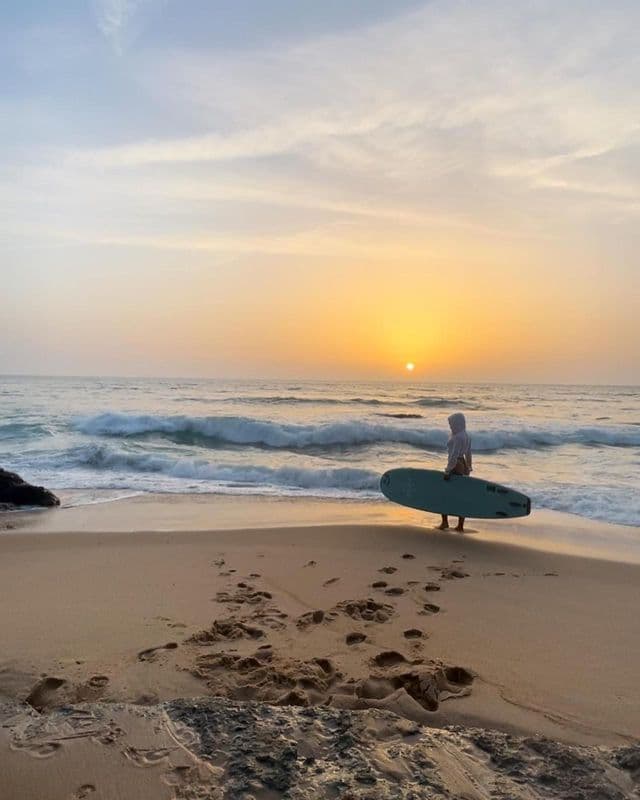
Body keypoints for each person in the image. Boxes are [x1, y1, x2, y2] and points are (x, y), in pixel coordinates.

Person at [437, 412, 472, 532]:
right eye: (450, 424)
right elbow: (468, 453)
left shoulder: (457, 437)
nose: (451, 427)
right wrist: (469, 467)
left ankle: (444, 522)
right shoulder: (466, 435)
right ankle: (460, 525)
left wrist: (447, 471)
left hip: (456, 465)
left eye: (452, 424)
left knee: (444, 494)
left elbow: (453, 456)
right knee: (461, 496)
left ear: (459, 424)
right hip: (463, 465)